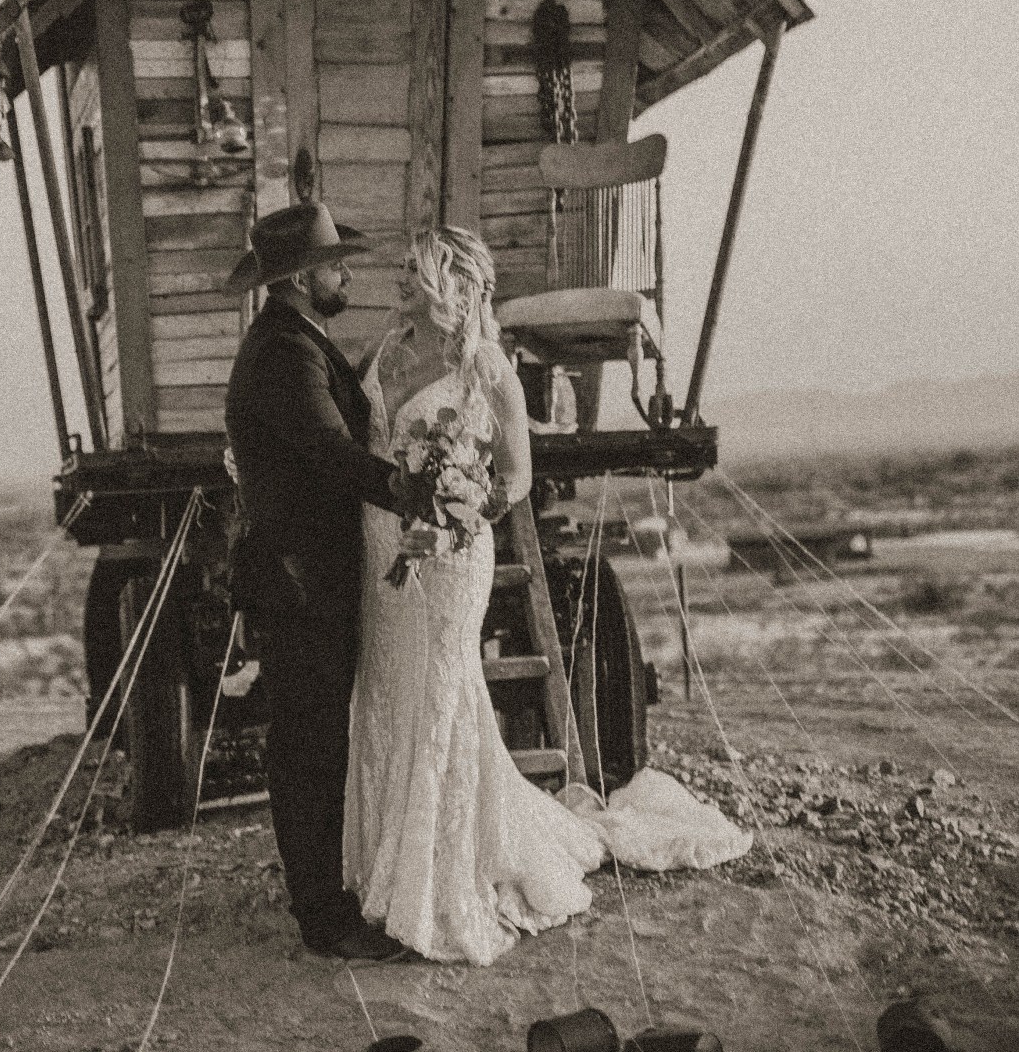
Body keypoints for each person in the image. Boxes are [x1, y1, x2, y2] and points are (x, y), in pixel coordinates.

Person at [343, 224, 751, 965]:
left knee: (440, 696)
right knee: (388, 694)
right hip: (383, 548)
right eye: (401, 266)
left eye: (415, 268)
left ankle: (433, 883)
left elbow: (516, 478)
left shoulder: (487, 367)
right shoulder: (381, 350)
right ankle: (385, 866)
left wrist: (456, 517)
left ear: (455, 284)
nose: (399, 278)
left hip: (449, 556)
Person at [223, 201, 440, 963]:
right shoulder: (285, 352)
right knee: (308, 748)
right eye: (336, 262)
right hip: (299, 581)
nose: (347, 271)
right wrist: (412, 490)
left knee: (315, 742)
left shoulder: (297, 342)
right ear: (302, 276)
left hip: (308, 576)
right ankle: (323, 919)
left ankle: (329, 898)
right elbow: (327, 449)